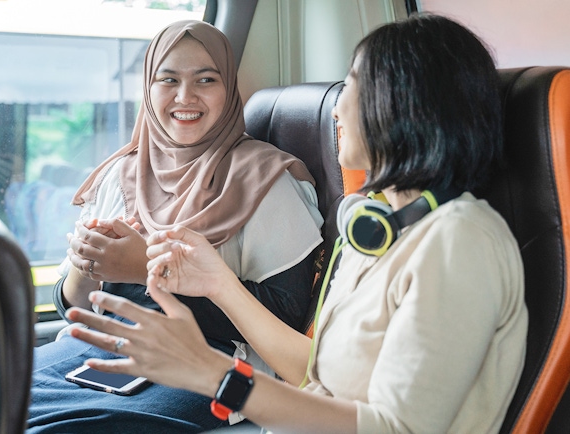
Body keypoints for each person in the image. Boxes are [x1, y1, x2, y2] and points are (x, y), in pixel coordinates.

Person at [65, 14, 529, 433]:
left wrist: (211, 372)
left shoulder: (460, 241)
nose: (338, 108)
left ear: (404, 104)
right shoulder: (384, 228)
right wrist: (217, 282)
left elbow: (396, 428)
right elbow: (315, 372)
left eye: (353, 88)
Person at [27, 20, 324, 433]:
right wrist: (85, 264)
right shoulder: (120, 174)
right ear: (148, 88)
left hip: (213, 362)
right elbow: (74, 309)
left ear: (229, 88)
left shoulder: (267, 180)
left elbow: (286, 316)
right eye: (168, 80)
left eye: (206, 79)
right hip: (106, 346)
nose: (186, 97)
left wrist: (145, 273)